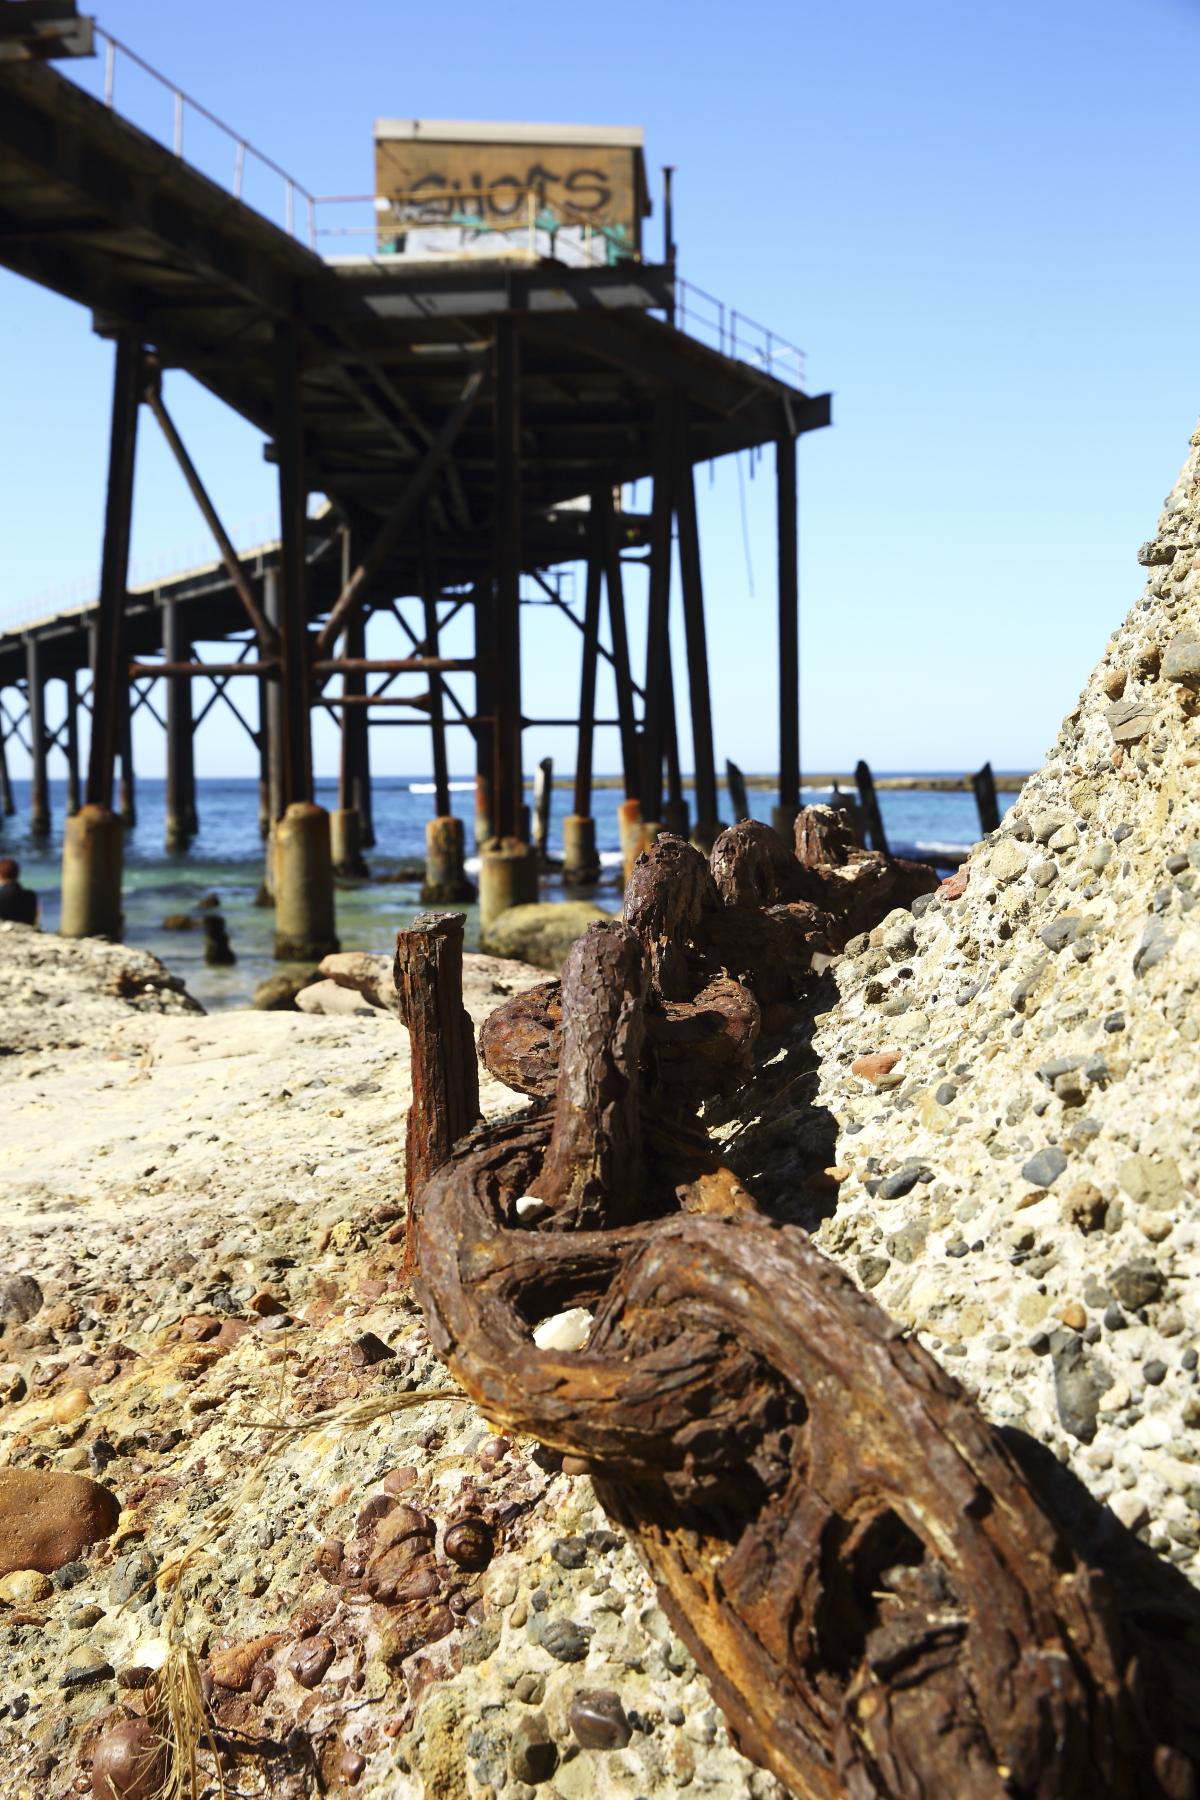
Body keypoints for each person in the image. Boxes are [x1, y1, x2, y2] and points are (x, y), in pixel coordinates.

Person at [0, 858, 39, 926]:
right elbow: (34, 918)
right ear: (17, 874)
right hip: (27, 931)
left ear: (1, 875)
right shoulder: (30, 896)